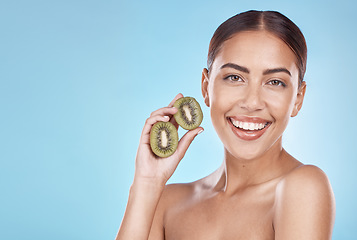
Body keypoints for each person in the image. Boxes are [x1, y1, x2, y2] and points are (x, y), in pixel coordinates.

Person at [116, 10, 335, 240]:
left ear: (298, 99)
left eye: (275, 82)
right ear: (205, 87)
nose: (252, 103)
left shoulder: (303, 188)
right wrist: (146, 184)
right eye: (234, 77)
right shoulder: (166, 203)